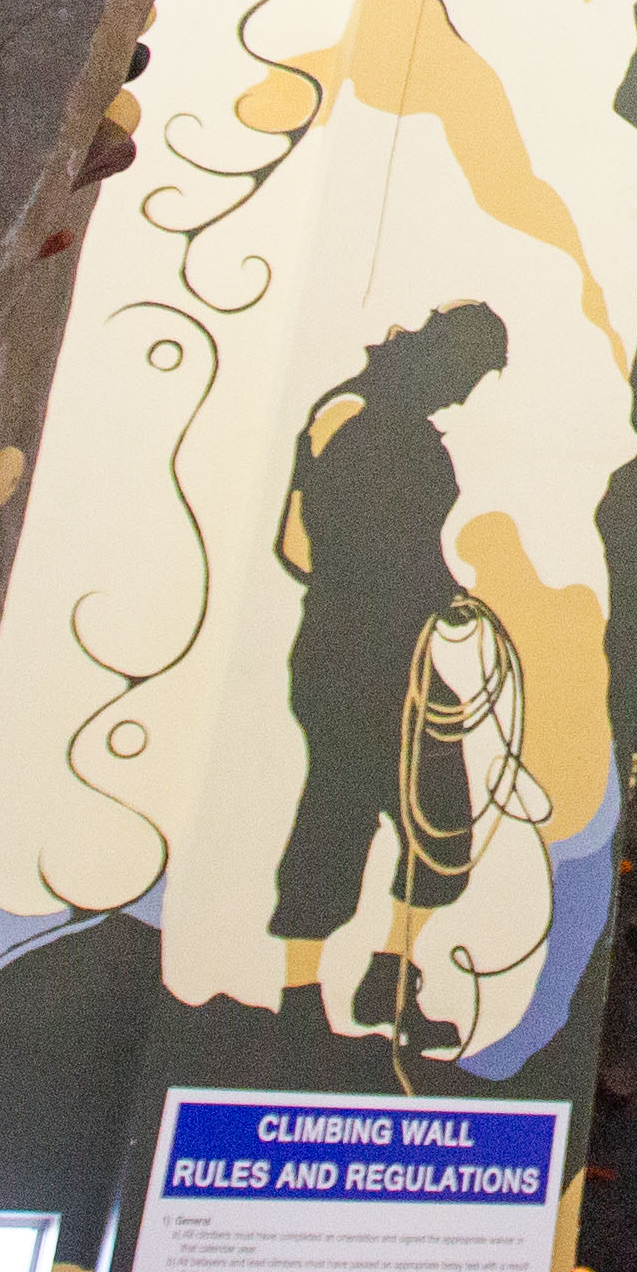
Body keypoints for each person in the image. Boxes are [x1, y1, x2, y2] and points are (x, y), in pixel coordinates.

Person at [269, 304, 514, 1032]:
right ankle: (298, 1003)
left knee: (438, 823)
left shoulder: (383, 420)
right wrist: (408, 592)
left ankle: (388, 982)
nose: (466, 395)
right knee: (337, 814)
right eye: (467, 375)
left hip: (398, 655)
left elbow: (311, 545)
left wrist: (437, 596)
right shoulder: (355, 416)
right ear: (443, 359)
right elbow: (314, 541)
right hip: (349, 655)